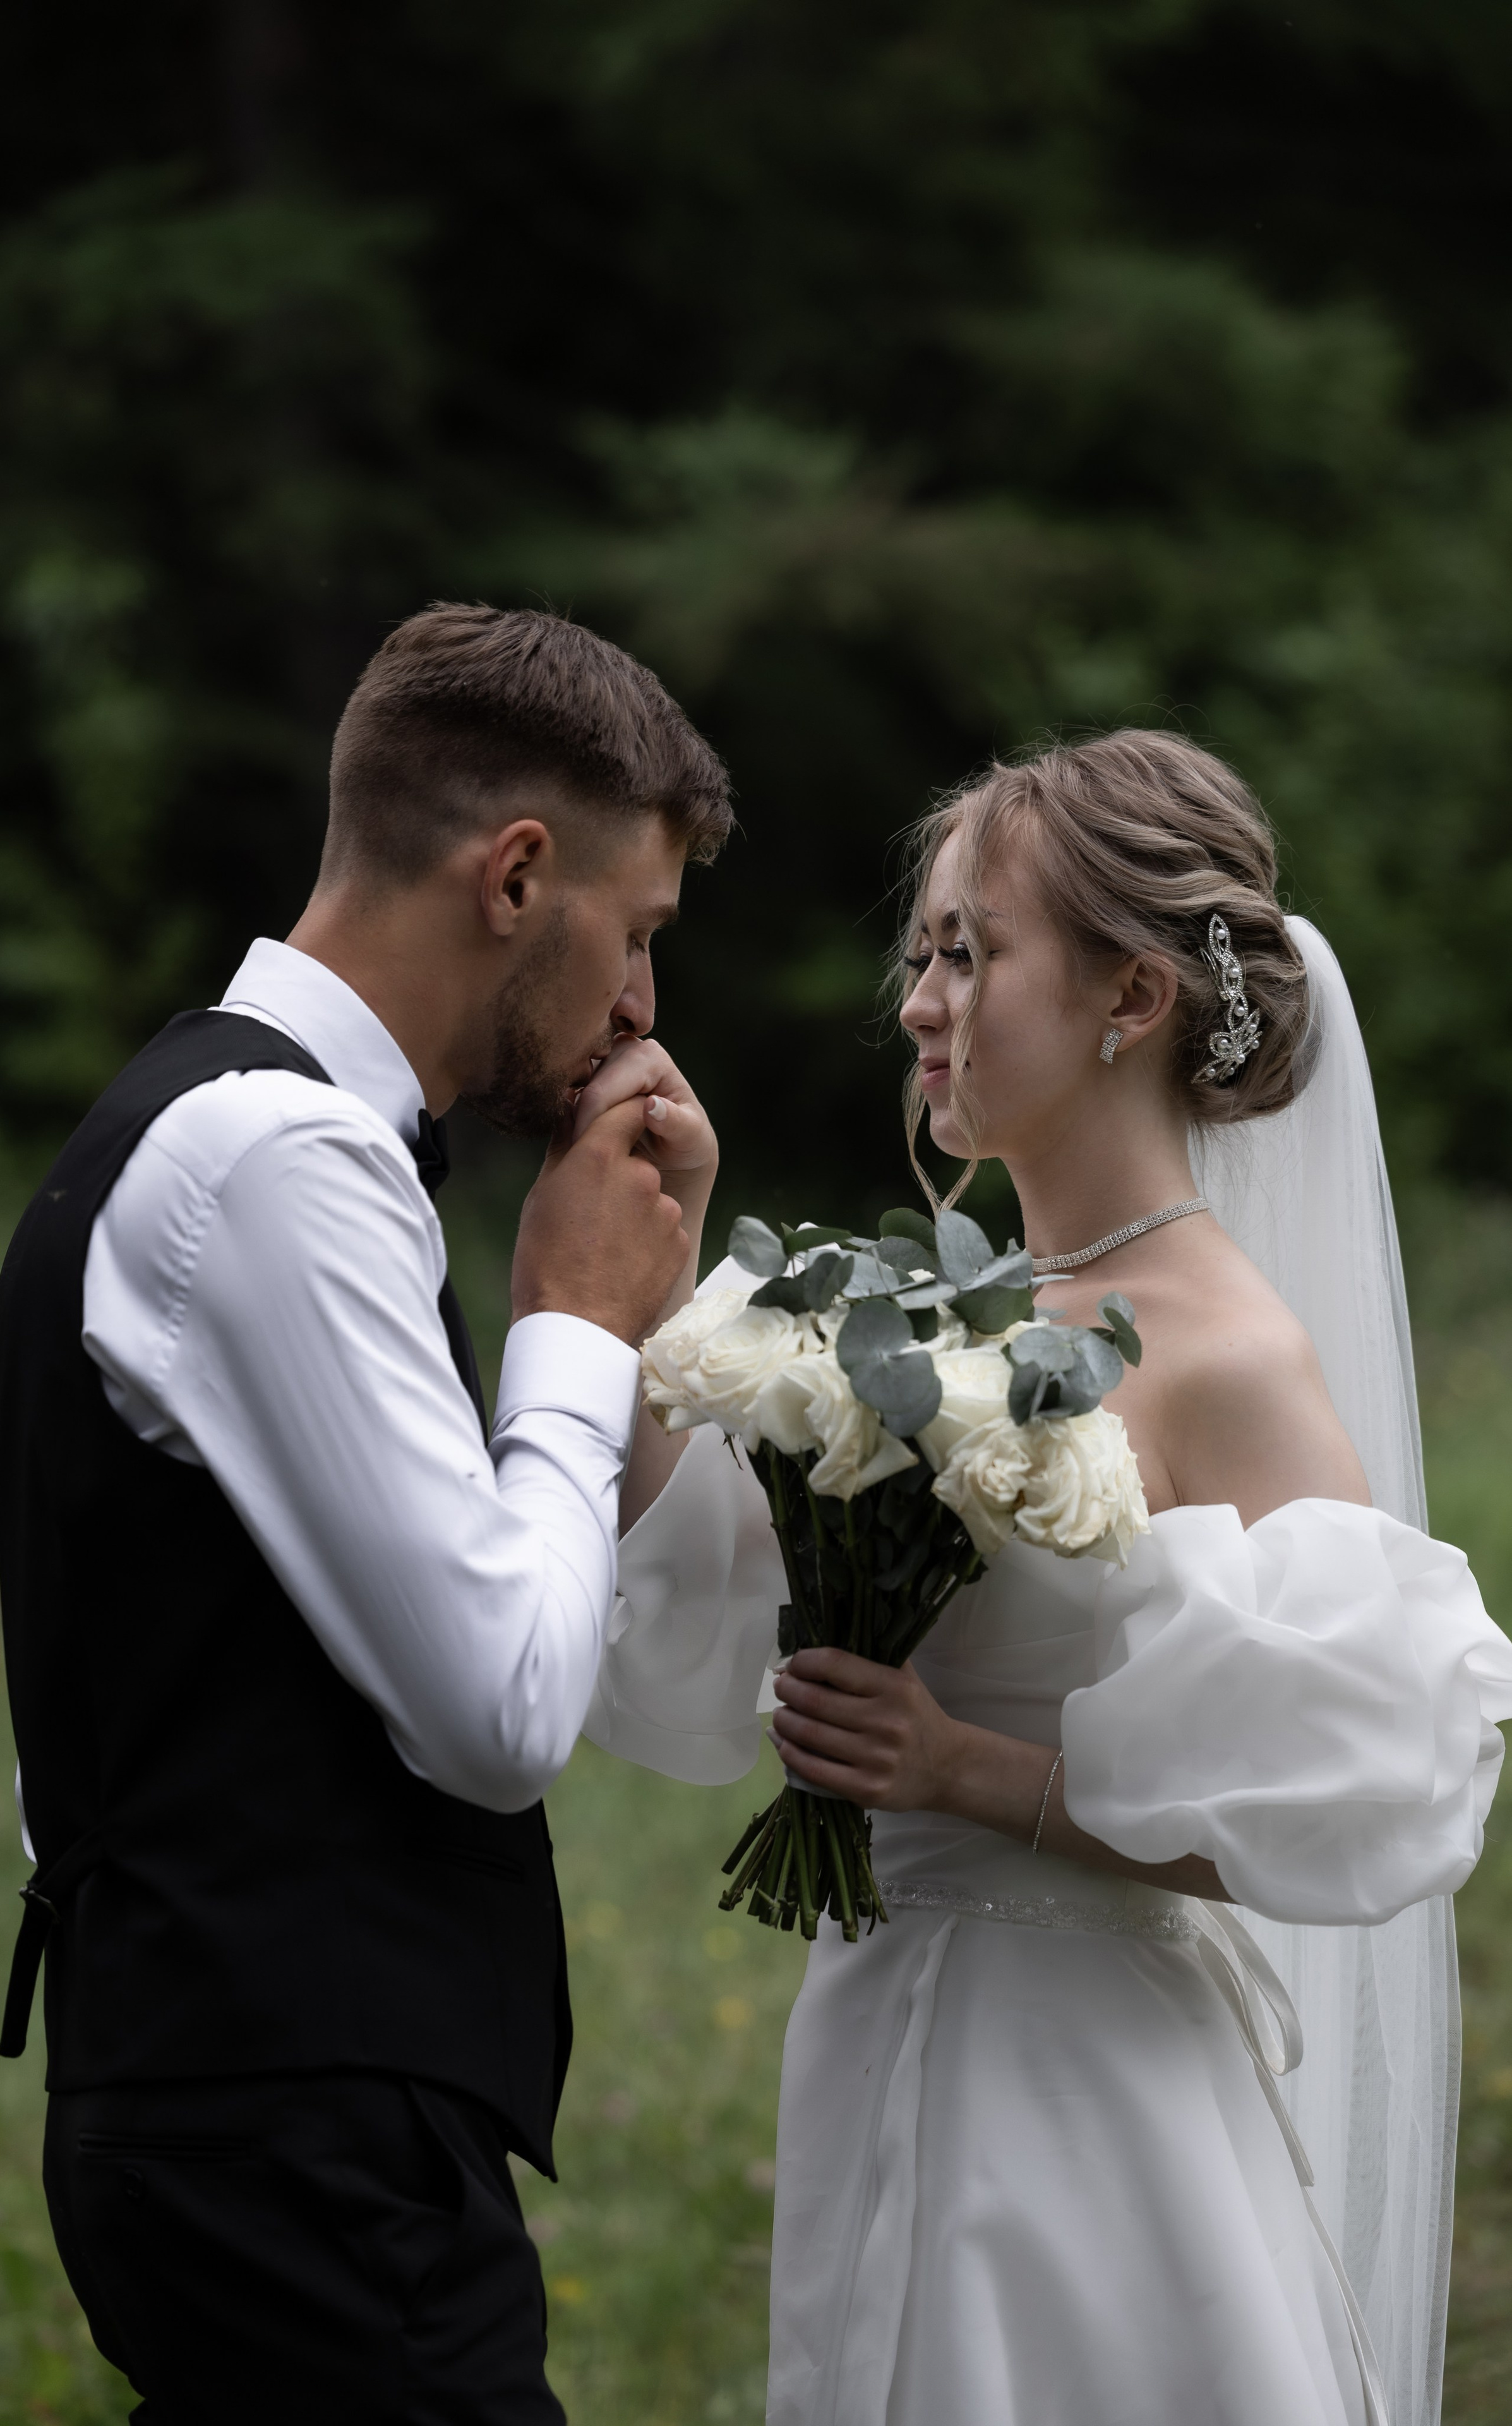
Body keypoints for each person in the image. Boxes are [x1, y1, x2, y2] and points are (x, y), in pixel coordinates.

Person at [590, 731, 1512, 2426]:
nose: (922, 1001)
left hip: (1080, 2089)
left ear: (1133, 996)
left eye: (968, 949)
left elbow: (1371, 1774)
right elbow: (705, 1610)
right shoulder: (941, 1322)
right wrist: (656, 1290)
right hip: (880, 2017)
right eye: (922, 955)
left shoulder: (1228, 1354)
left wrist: (970, 1773)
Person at [0, 602, 728, 2423]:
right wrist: (570, 1322)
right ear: (517, 875)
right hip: (292, 2143)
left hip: (248, 2114)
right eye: (635, 937)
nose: (643, 1005)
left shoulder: (248, 1128)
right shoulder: (280, 1158)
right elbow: (496, 1708)